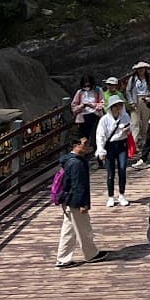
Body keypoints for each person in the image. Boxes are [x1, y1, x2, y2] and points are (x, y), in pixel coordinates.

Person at [54, 135, 105, 267]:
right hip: (74, 201)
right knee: (84, 229)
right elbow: (78, 186)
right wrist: (83, 204)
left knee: (68, 230)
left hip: (68, 200)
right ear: (76, 146)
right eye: (85, 143)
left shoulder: (70, 160)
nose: (87, 146)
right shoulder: (76, 163)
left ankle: (63, 258)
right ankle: (91, 254)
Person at [95, 98, 132, 208]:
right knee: (110, 173)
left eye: (120, 105)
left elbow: (129, 128)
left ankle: (121, 194)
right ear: (111, 107)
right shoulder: (104, 120)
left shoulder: (125, 116)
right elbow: (100, 135)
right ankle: (110, 196)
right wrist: (101, 150)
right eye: (116, 106)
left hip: (122, 145)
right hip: (110, 146)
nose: (118, 108)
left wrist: (126, 131)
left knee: (122, 169)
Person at [70, 75, 103, 144]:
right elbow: (73, 106)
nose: (87, 88)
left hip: (95, 115)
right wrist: (82, 106)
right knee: (84, 138)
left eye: (88, 86)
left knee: (95, 136)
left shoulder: (98, 90)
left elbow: (102, 103)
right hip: (82, 117)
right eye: (85, 86)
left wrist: (92, 105)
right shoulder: (79, 92)